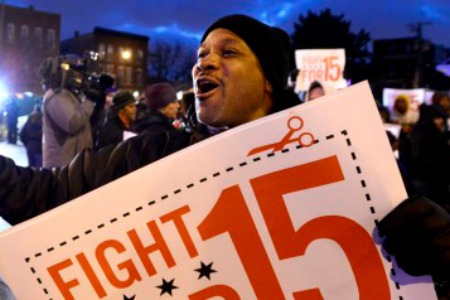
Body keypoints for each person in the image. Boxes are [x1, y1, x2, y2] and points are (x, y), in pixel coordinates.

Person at [0, 13, 447, 298]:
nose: (203, 63)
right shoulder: (152, 153)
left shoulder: (340, 158)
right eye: (201, 54)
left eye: (228, 52)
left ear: (270, 79)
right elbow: (48, 193)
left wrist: (438, 245)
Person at [38, 55, 107, 168]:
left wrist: (99, 100)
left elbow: (87, 122)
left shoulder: (70, 96)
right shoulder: (55, 96)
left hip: (74, 166)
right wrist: (89, 100)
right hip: (62, 169)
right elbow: (73, 124)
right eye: (76, 73)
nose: (79, 77)